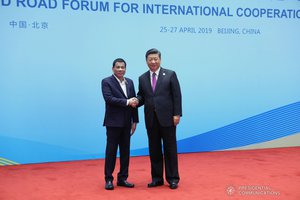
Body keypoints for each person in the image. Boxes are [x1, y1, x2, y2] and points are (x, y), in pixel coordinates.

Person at [136, 48, 182, 189]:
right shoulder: (142, 78)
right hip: (151, 119)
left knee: (170, 149)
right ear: (146, 61)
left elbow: (177, 96)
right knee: (154, 149)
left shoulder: (170, 74)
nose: (153, 61)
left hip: (168, 118)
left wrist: (177, 114)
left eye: (156, 59)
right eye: (150, 59)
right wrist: (136, 100)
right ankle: (157, 178)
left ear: (160, 59)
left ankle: (173, 178)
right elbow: (142, 96)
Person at [101, 58, 139, 190]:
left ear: (125, 69)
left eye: (123, 67)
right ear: (113, 68)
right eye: (118, 67)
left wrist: (135, 120)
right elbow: (109, 99)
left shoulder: (130, 82)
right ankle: (108, 179)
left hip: (127, 123)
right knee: (111, 151)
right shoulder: (106, 81)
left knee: (125, 152)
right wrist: (127, 102)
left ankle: (123, 178)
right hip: (113, 123)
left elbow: (135, 102)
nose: (120, 69)